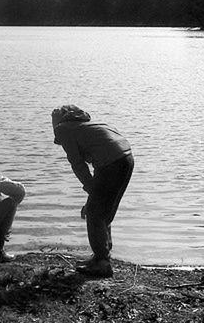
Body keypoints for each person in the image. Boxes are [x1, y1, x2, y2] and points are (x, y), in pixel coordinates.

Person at [51, 105, 134, 278]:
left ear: (58, 120)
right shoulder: (88, 125)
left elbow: (77, 164)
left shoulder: (64, 129)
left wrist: (91, 190)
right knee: (103, 210)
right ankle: (101, 255)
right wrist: (93, 192)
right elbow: (100, 158)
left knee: (95, 212)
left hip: (112, 163)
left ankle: (102, 263)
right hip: (126, 159)